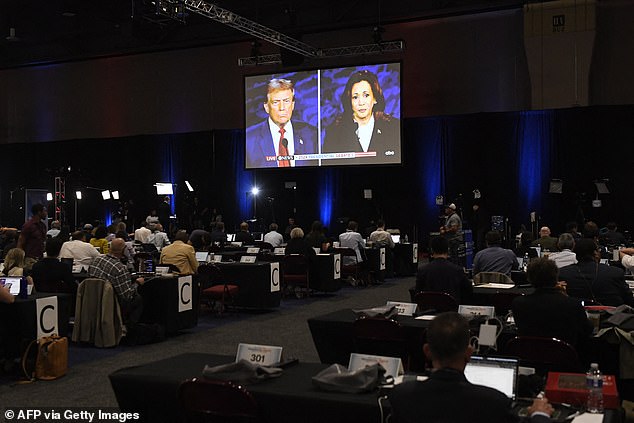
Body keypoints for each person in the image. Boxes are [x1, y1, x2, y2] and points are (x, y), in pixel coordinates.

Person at [389, 312, 553, 423]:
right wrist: (540, 415)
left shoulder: (401, 396)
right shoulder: (494, 402)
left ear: (427, 351)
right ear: (469, 352)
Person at [512, 258, 592, 350]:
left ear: (529, 278)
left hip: (528, 356)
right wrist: (566, 296)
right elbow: (587, 330)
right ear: (556, 277)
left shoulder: (518, 303)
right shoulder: (572, 304)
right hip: (563, 357)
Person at [323, 69, 400, 165]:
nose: (361, 103)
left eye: (366, 95)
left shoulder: (393, 127)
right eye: (355, 97)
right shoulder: (334, 131)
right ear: (349, 101)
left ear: (375, 99)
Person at [245, 78, 318, 168]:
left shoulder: (312, 134)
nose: (282, 108)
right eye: (276, 102)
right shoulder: (249, 139)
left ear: (293, 105)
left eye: (286, 101)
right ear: (266, 107)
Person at [559, 238, 633, 306]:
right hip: (613, 318)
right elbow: (629, 301)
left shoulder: (562, 273)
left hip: (575, 317)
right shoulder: (616, 272)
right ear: (595, 253)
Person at [88, 238, 145, 323]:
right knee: (138, 299)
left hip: (93, 299)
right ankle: (129, 328)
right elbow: (127, 295)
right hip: (111, 302)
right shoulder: (120, 268)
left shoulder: (95, 260)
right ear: (123, 250)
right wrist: (137, 283)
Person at [415, 236, 472, 303]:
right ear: (448, 250)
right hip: (451, 310)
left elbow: (417, 294)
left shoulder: (422, 270)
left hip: (429, 310)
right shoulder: (457, 270)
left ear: (432, 250)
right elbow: (469, 291)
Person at [17, 203, 47, 270]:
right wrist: (20, 260)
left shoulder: (43, 226)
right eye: (45, 211)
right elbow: (20, 243)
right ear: (39, 212)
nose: (46, 213)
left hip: (40, 258)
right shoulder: (28, 226)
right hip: (29, 259)